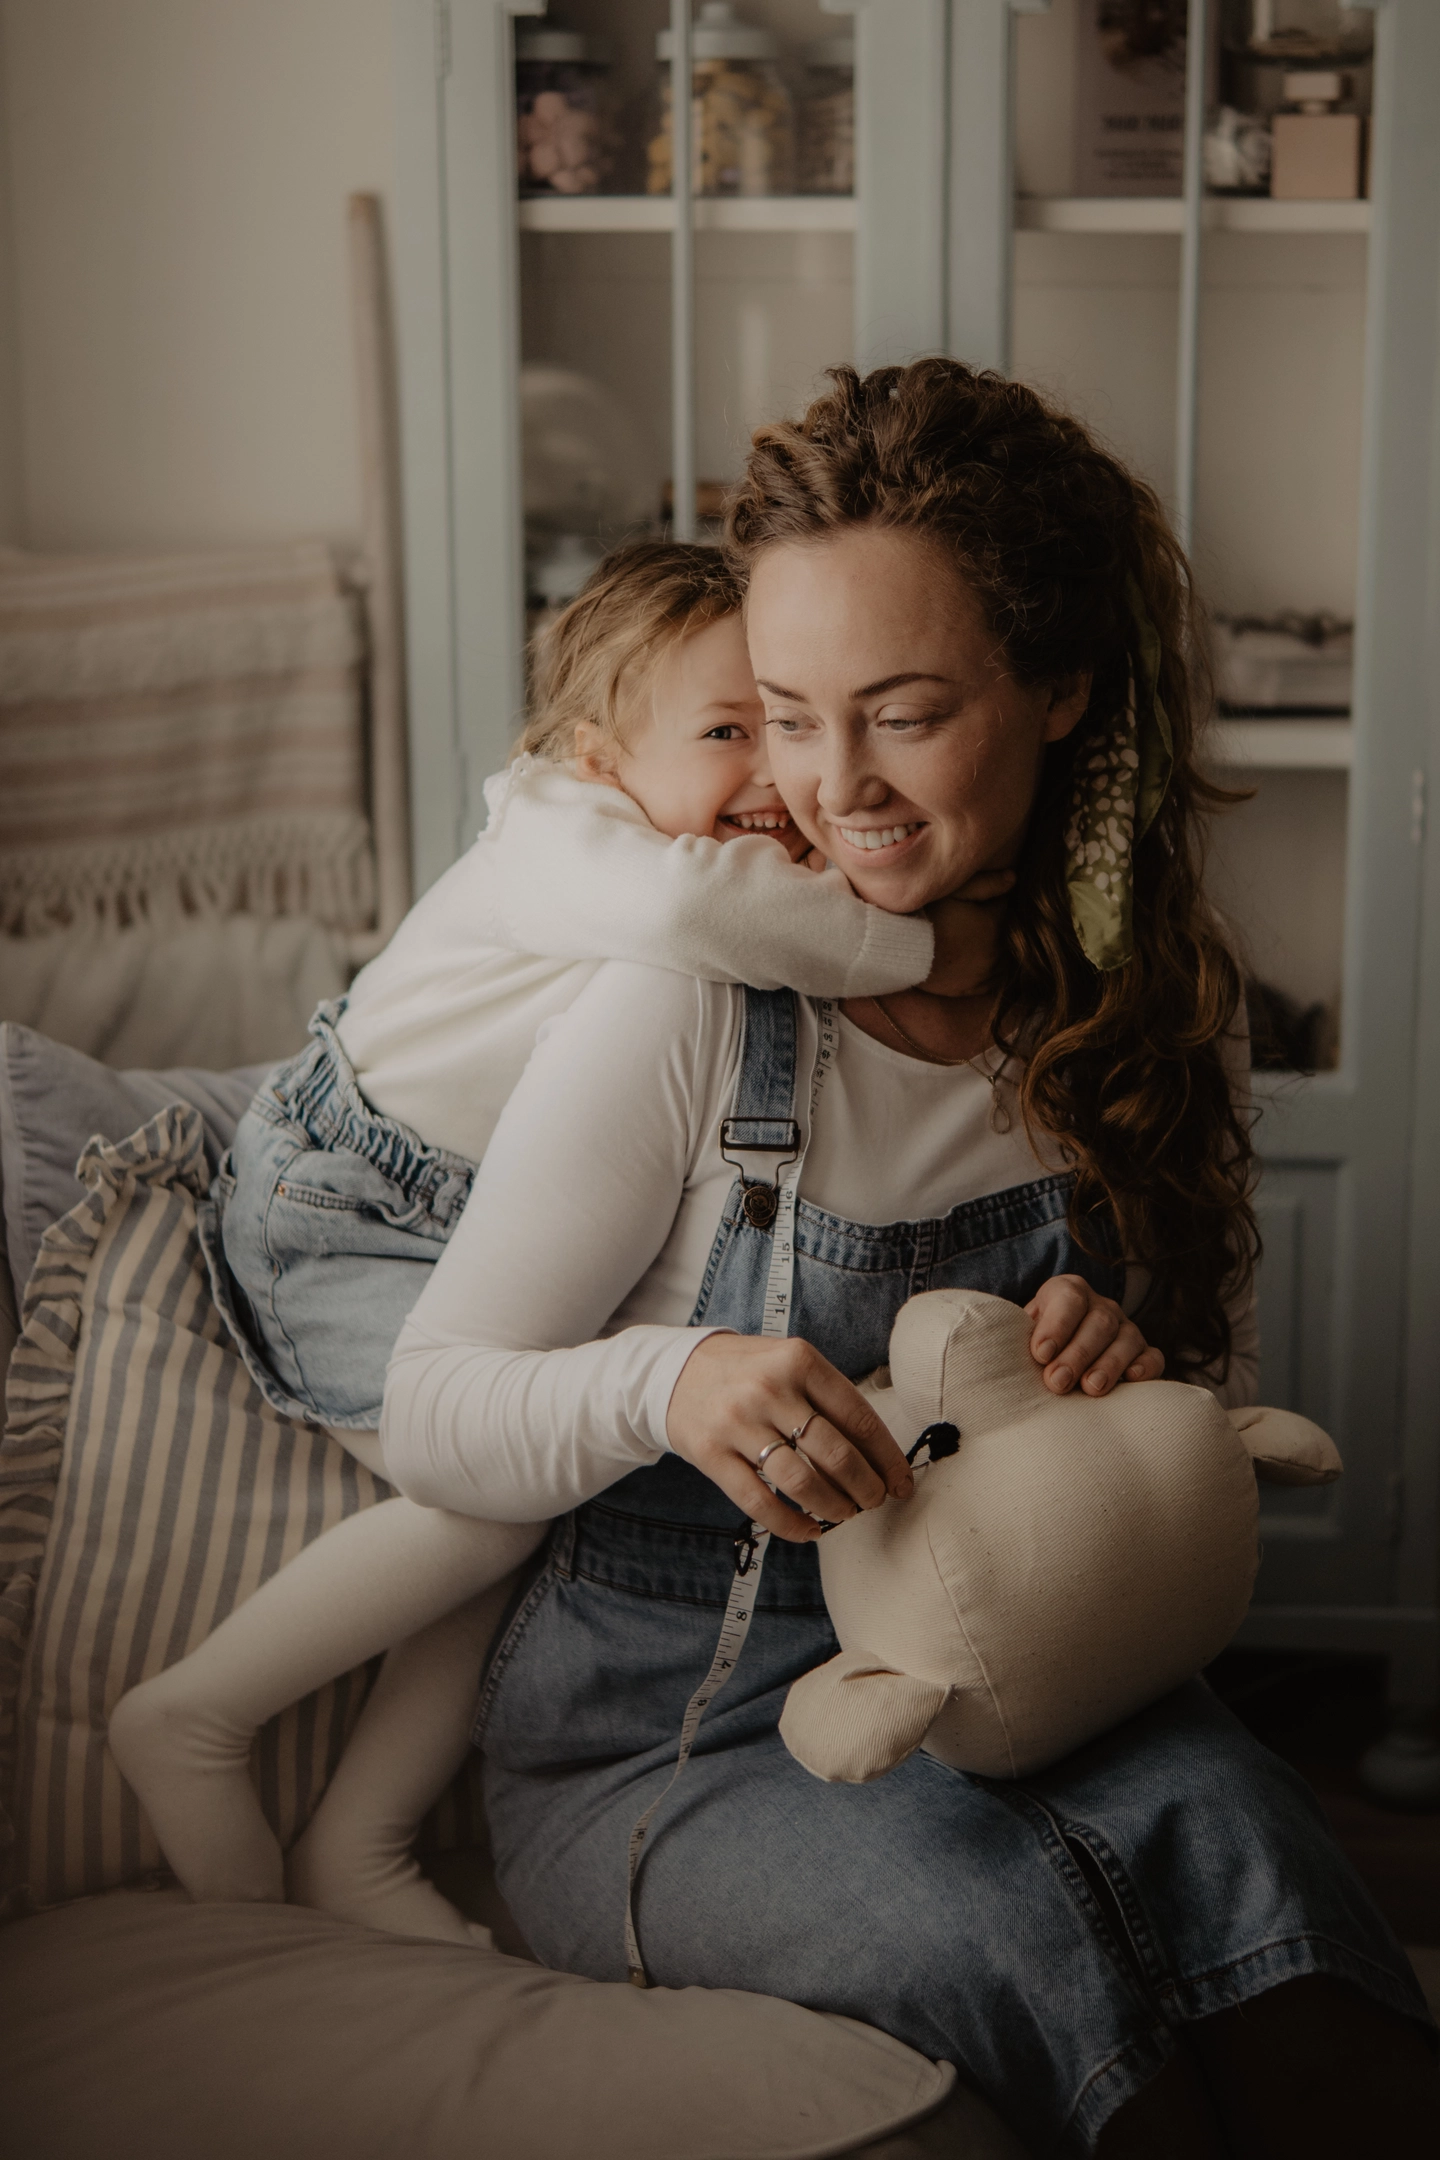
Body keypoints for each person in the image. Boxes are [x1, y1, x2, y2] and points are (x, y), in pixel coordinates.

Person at [378, 363, 1438, 2155]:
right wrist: (675, 1378)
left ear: (1063, 691)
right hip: (679, 1745)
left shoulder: (1158, 1018)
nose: (826, 788)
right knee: (1055, 1975)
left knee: (1288, 1935)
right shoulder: (691, 1010)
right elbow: (432, 1413)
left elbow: (1216, 1447)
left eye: (903, 713)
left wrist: (1138, 1393)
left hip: (1058, 1698)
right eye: (785, 716)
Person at [110, 540, 1015, 1945]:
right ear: (600, 756)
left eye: (771, 725)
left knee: (544, 1492)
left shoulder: (679, 839)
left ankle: (360, 1834)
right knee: (483, 1487)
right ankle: (199, 1713)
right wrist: (925, 947)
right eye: (730, 733)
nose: (778, 779)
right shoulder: (566, 836)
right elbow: (691, 914)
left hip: (453, 1207)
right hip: (338, 1205)